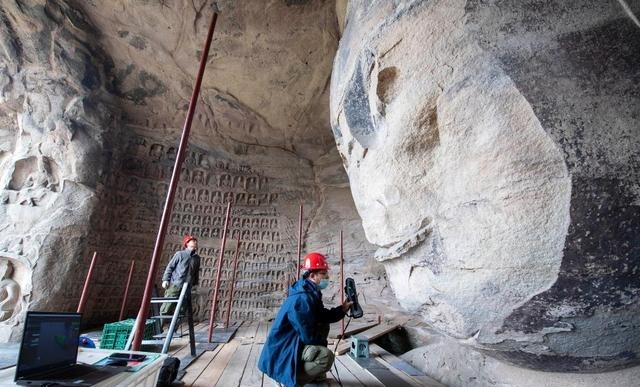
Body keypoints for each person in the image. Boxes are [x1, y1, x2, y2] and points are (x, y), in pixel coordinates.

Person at [258, 252, 353, 387]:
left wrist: (342, 309)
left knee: (322, 328)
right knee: (325, 357)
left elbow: (322, 316)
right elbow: (308, 336)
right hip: (283, 352)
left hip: (292, 344)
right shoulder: (302, 299)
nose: (327, 277)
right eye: (323, 274)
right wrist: (322, 345)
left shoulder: (309, 292)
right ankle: (289, 379)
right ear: (312, 276)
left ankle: (311, 375)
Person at [160, 235, 201, 316]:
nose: (195, 243)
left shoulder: (197, 258)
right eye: (192, 241)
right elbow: (170, 267)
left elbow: (196, 272)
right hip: (175, 285)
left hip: (187, 287)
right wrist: (165, 279)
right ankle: (158, 327)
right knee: (166, 308)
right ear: (187, 243)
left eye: (195, 241)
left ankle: (174, 328)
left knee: (181, 310)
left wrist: (195, 284)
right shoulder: (180, 254)